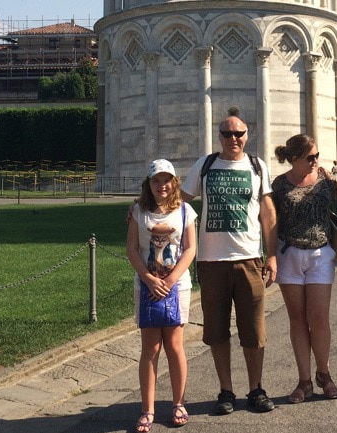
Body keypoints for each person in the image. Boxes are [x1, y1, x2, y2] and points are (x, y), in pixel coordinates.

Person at [181, 113, 278, 415]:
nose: (233, 139)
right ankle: (226, 391)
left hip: (249, 260)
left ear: (248, 135)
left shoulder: (257, 166)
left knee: (254, 331)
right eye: (227, 134)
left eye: (239, 133)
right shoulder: (205, 165)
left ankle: (256, 389)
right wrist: (142, 210)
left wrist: (272, 254)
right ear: (219, 135)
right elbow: (179, 202)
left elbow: (268, 214)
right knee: (216, 331)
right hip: (211, 262)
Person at [271, 134, 337, 404]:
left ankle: (324, 374)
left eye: (316, 156)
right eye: (310, 157)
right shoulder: (280, 185)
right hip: (289, 255)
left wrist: (336, 183)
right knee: (297, 319)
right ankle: (304, 380)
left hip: (320, 255)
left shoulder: (325, 182)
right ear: (294, 159)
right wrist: (269, 254)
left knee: (319, 319)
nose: (315, 161)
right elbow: (271, 222)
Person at [127, 159, 198, 431]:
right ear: (149, 184)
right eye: (156, 181)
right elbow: (132, 249)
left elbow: (190, 249)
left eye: (166, 180)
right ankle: (148, 409)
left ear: (174, 182)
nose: (162, 185)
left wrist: (169, 280)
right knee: (151, 347)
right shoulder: (138, 211)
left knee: (175, 345)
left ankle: (178, 403)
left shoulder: (185, 211)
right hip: (146, 285)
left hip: (176, 285)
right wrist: (148, 278)